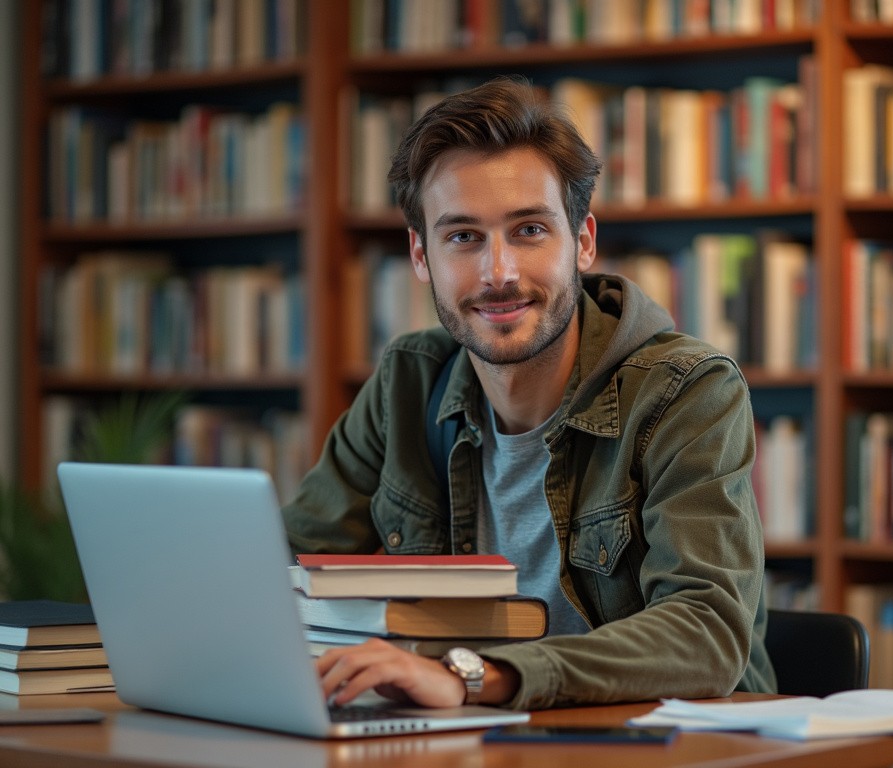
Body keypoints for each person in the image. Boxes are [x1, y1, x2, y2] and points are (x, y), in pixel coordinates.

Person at [282, 76, 776, 711]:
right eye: (463, 237)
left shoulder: (685, 391)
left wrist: (475, 676)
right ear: (421, 255)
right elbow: (281, 572)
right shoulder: (408, 383)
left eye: (529, 231)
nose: (499, 273)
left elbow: (707, 634)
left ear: (584, 241)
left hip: (665, 747)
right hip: (473, 744)